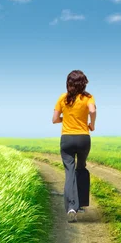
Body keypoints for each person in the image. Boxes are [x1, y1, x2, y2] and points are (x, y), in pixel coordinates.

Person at [52, 70, 96, 223]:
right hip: (84, 138)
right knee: (81, 169)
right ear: (83, 83)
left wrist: (66, 117)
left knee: (69, 172)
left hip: (67, 139)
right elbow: (92, 110)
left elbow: (55, 119)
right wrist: (91, 124)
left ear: (68, 83)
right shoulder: (88, 98)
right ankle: (80, 204)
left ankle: (71, 207)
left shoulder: (62, 98)